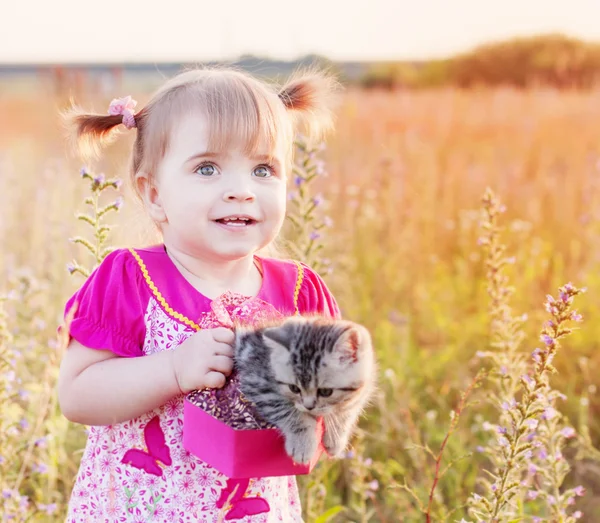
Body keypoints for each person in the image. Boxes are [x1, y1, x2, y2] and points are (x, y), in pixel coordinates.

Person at [57, 65, 341, 522]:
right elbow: (76, 395)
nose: (241, 191)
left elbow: (331, 400)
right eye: (207, 168)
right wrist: (174, 368)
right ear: (154, 195)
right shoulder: (131, 279)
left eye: (263, 169)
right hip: (138, 510)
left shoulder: (298, 290)